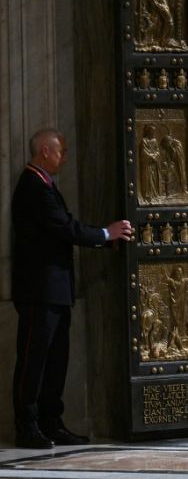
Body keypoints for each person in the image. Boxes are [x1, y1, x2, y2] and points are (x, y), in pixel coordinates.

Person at [11, 128, 133, 449]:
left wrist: (106, 239)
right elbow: (64, 228)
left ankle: (52, 422)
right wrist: (105, 235)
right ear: (45, 152)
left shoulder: (45, 185)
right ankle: (28, 426)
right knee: (33, 360)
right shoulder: (32, 187)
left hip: (55, 290)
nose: (65, 157)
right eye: (61, 151)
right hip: (39, 291)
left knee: (56, 360)